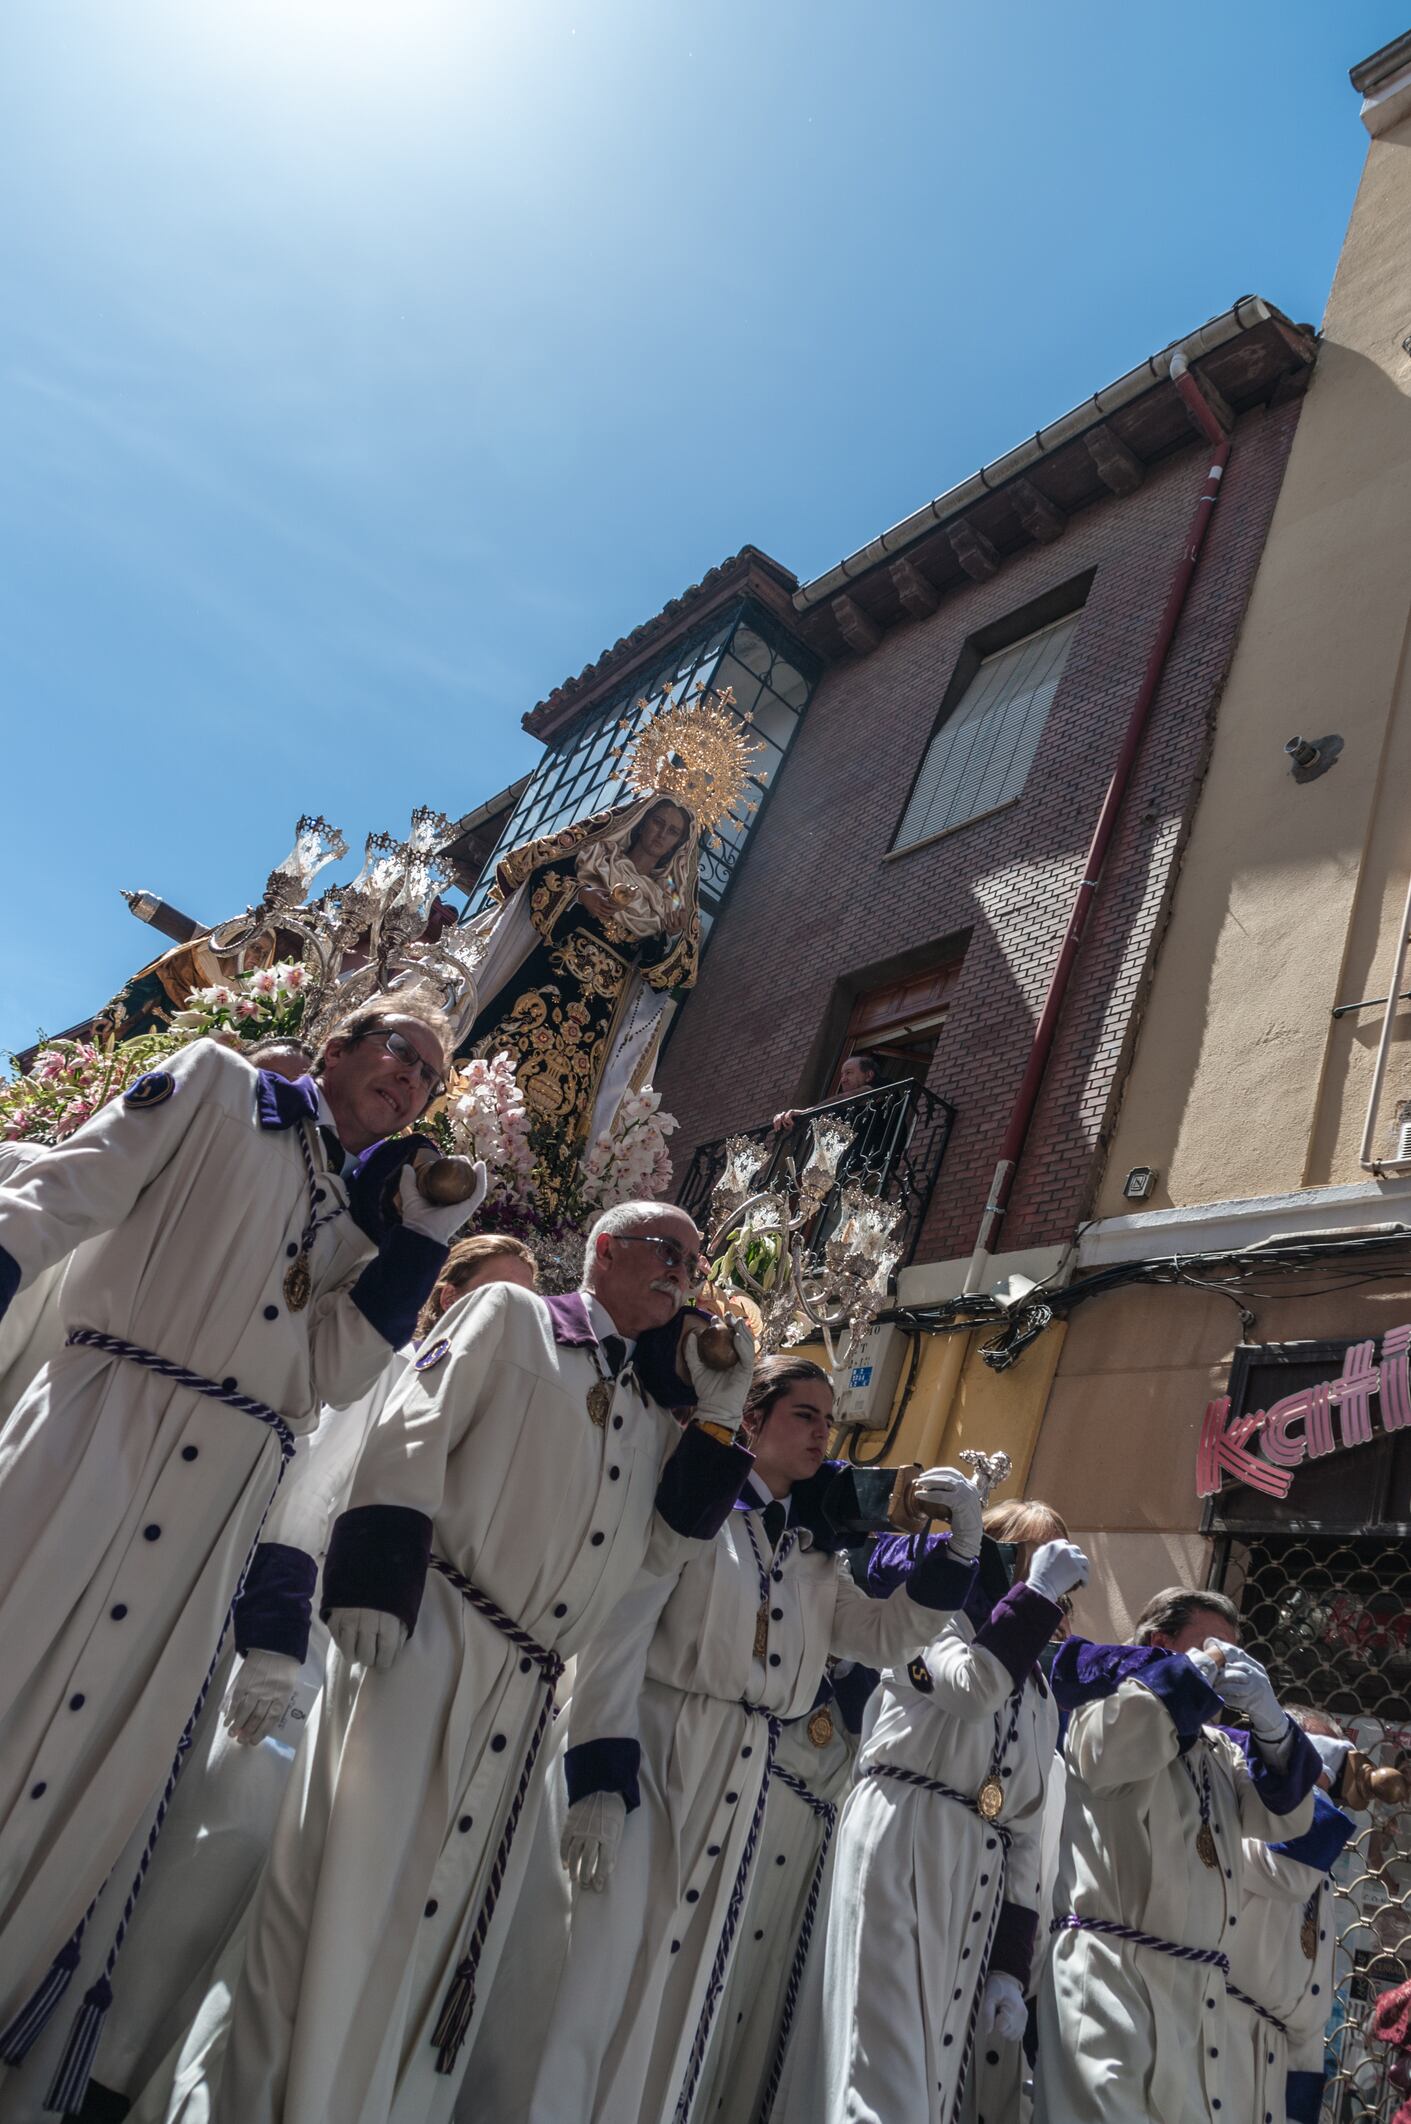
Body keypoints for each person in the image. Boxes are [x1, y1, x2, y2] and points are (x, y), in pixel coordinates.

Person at [0, 998, 471, 2108]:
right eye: (400, 1051)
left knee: (102, 1765)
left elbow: (329, 1378)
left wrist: (417, 1246)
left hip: (211, 1516)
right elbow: (65, 1187)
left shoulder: (357, 1225)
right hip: (98, 1431)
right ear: (339, 1044)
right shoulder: (215, 1085)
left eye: (431, 1079)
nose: (410, 1081)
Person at [209, 1200, 754, 2124]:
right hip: (430, 1640)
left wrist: (721, 1414)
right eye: (671, 1253)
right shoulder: (515, 1321)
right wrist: (376, 1582)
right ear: (607, 1251)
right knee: (349, 1900)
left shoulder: (648, 1408)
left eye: (695, 1266)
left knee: (443, 1919)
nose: (685, 1276)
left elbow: (662, 1554)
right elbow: (413, 1426)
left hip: (527, 1687)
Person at [524, 1357, 986, 2124]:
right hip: (657, 1738)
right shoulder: (697, 1503)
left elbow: (879, 1635)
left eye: (827, 1418)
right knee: (596, 1969)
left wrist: (961, 1553)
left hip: (739, 1767)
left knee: (677, 1981)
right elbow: (624, 1627)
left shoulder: (811, 1548)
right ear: (751, 1419)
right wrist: (600, 1771)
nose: (822, 1432)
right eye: (804, 1414)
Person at [788, 1495, 1081, 2124]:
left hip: (974, 1874)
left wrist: (1008, 1961)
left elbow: (1025, 1829)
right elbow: (969, 1689)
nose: (1057, 1575)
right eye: (1035, 1552)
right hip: (905, 1839)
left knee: (930, 2074)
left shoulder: (1040, 1695)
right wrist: (1035, 1596)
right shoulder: (935, 1619)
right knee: (880, 2060)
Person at [1035, 1587, 1322, 2124]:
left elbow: (1288, 1818)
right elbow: (1115, 1747)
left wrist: (1273, 1724)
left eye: (1235, 1654)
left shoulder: (1220, 1750)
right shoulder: (1103, 1710)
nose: (1225, 1664)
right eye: (1213, 1646)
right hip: (1112, 1979)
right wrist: (1191, 1673)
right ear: (1160, 1643)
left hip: (1196, 1998)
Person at [459, 794, 699, 1155]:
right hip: (549, 977)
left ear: (678, 845)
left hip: (601, 1009)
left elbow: (665, 977)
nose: (662, 834)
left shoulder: (665, 902)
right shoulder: (595, 857)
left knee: (575, 1092)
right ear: (641, 821)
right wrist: (581, 895)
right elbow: (538, 874)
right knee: (501, 1051)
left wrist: (672, 936)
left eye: (673, 832)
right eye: (658, 823)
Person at [694, 1658, 877, 2124]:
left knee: (762, 2015)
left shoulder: (879, 1669)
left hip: (809, 1850)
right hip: (749, 1808)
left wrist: (853, 1680)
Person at [1224, 1707, 1355, 2124]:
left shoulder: (1320, 1873)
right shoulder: (1237, 1827)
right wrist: (1308, 1772)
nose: (1327, 1786)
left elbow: (1312, 2002)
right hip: (1223, 2039)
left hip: (1277, 2062)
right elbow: (1288, 1874)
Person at [771, 1051, 884, 1135]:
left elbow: (856, 1096)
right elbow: (811, 1125)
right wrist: (785, 1119)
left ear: (869, 1075)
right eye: (842, 1075)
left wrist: (808, 1111)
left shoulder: (884, 1085)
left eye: (849, 1073)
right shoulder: (841, 1108)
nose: (843, 1079)